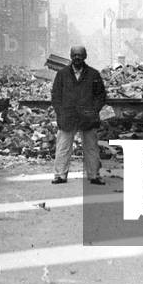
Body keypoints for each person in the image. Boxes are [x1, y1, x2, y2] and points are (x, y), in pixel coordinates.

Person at [50, 45, 107, 185]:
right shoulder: (62, 74)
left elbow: (101, 95)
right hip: (67, 116)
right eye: (74, 55)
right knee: (63, 146)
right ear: (70, 56)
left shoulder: (94, 74)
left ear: (85, 56)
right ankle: (60, 175)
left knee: (91, 147)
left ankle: (94, 175)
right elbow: (56, 95)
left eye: (80, 55)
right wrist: (60, 112)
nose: (77, 57)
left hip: (88, 117)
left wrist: (94, 111)